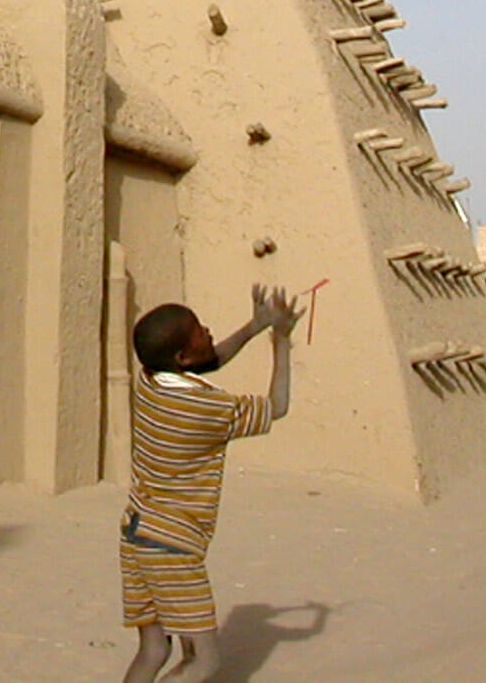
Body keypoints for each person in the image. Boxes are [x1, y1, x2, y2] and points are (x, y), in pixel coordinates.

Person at [120, 284, 303, 683]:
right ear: (182, 356)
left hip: (137, 531)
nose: (208, 330)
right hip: (172, 544)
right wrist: (282, 339)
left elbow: (209, 361)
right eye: (201, 331)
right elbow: (277, 406)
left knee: (154, 649)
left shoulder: (149, 378)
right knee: (205, 662)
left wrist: (255, 326)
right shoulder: (208, 409)